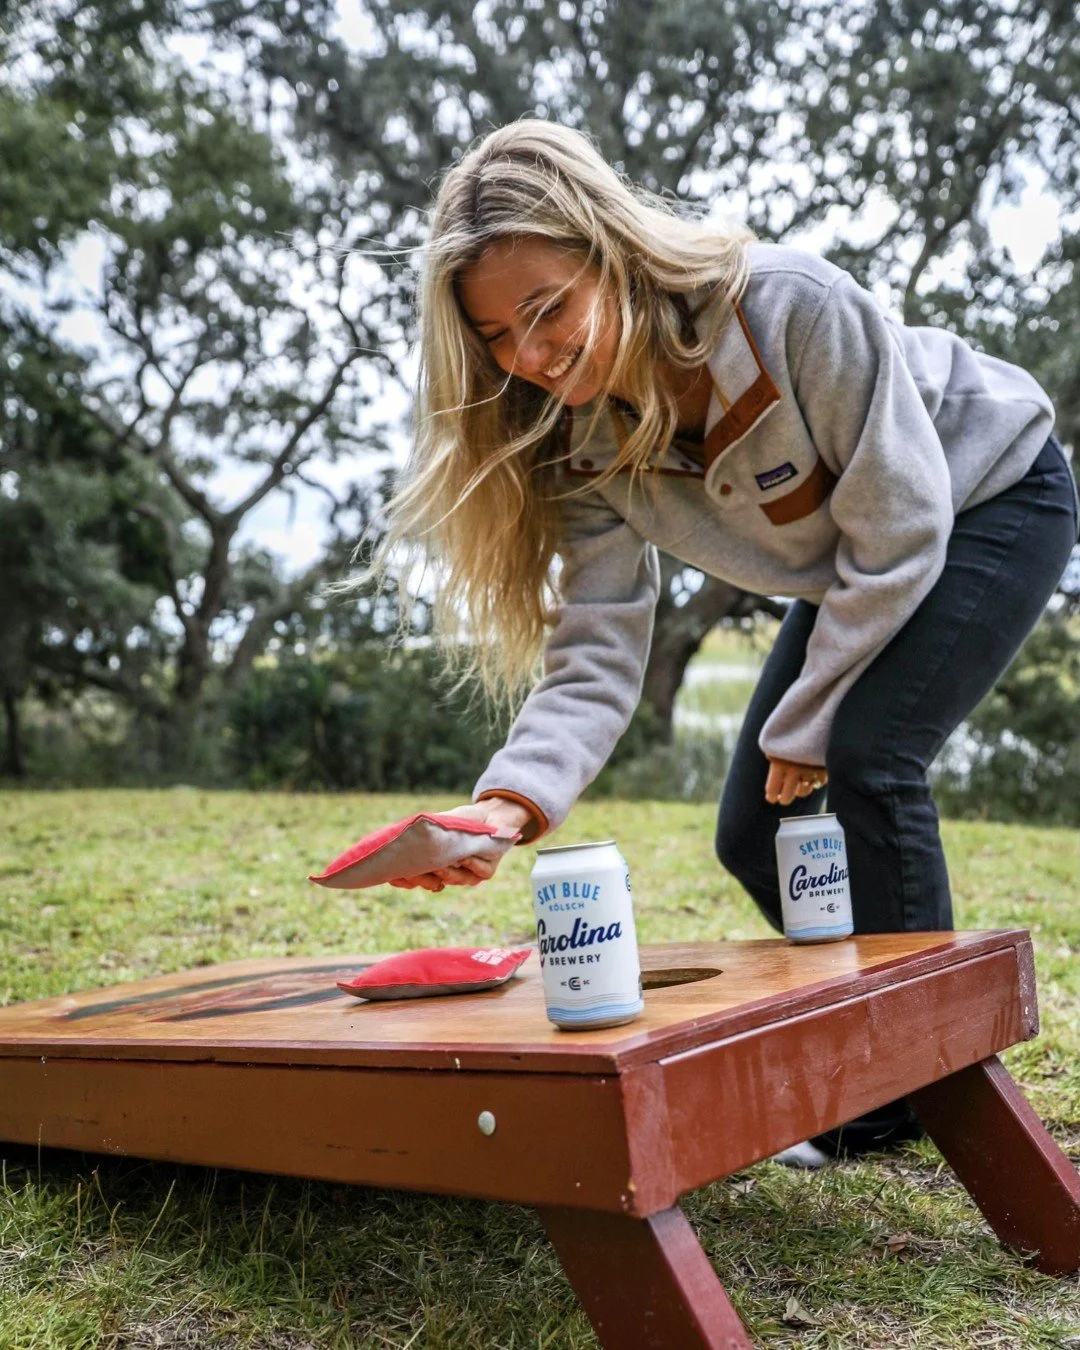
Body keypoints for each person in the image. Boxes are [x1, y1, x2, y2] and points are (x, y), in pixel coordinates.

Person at [363, 119, 1080, 1163]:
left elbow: (904, 525)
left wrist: (812, 716)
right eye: (498, 338)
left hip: (986, 497)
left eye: (547, 309)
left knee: (869, 759)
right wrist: (508, 803)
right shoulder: (581, 444)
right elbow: (600, 642)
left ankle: (924, 1088)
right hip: (859, 568)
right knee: (755, 833)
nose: (530, 354)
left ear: (609, 248)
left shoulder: (794, 308)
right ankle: (883, 1076)